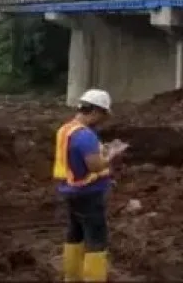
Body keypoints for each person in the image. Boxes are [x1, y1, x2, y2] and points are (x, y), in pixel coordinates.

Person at [53, 89, 128, 282]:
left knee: (74, 233)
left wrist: (101, 150)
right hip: (88, 193)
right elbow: (94, 165)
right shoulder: (85, 136)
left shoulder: (67, 129)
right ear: (95, 111)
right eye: (103, 115)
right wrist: (112, 154)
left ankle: (72, 277)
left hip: (70, 190)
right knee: (96, 240)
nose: (103, 120)